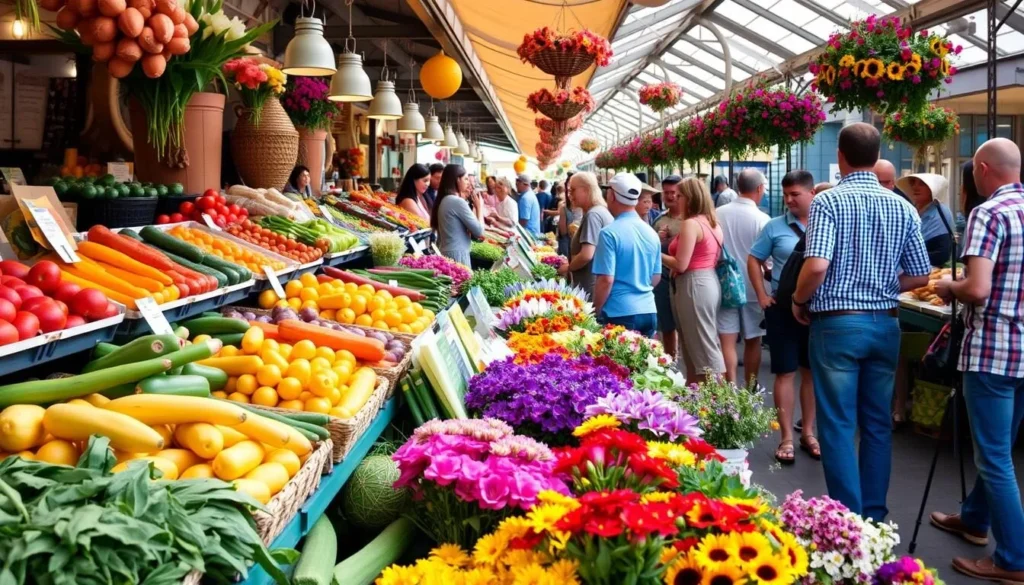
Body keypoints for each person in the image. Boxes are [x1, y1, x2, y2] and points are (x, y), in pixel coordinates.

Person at [791, 122, 931, 522]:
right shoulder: (903, 206)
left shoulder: (828, 203)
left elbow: (816, 265)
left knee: (836, 423)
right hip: (885, 324)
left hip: (836, 324)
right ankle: (873, 515)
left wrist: (800, 300)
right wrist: (882, 284)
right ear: (877, 155)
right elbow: (920, 276)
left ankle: (847, 520)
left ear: (840, 156)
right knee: (876, 424)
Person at [930, 137, 1024, 584]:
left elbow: (978, 289)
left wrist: (951, 287)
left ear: (983, 169)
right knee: (1000, 449)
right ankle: (974, 519)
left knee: (993, 458)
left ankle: (1013, 559)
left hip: (994, 351)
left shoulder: (989, 212)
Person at [748, 170, 819, 464]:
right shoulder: (775, 227)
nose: (789, 200)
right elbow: (754, 258)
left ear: (811, 193)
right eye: (786, 194)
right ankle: (786, 437)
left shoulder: (824, 222)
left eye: (795, 195)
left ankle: (809, 433)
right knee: (785, 372)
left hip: (816, 309)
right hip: (782, 308)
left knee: (811, 373)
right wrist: (763, 296)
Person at [665, 178, 727, 382]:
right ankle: (701, 398)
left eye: (680, 195)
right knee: (698, 343)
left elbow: (681, 264)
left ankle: (718, 404)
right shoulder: (712, 222)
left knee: (702, 345)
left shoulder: (691, 224)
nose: (676, 199)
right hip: (706, 281)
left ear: (690, 198)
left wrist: (653, 252)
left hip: (693, 283)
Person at [716, 168, 771, 386]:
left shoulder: (718, 214)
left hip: (723, 284)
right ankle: (750, 386)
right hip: (752, 286)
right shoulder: (763, 219)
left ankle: (729, 389)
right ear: (759, 188)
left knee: (726, 340)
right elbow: (767, 260)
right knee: (753, 339)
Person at [591, 172, 661, 337]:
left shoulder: (608, 233)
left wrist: (595, 310)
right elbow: (655, 277)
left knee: (618, 363)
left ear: (612, 196)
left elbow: (606, 280)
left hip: (619, 312)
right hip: (649, 311)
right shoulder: (651, 232)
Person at [558, 172, 613, 299]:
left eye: (573, 190)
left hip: (590, 286)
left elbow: (586, 255)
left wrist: (568, 267)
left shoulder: (593, 215)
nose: (569, 195)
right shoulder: (599, 211)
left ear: (586, 190)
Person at [653, 175, 684, 359]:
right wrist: (658, 239)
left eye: (674, 192)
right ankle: (670, 362)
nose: (670, 196)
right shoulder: (658, 220)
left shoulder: (690, 220)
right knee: (667, 325)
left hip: (685, 278)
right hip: (663, 280)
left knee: (686, 327)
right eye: (666, 193)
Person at [896, 173, 955, 267]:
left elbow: (941, 254)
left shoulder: (940, 212)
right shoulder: (913, 209)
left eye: (922, 184)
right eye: (912, 183)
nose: (915, 187)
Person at [430, 164, 484, 267]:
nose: (468, 183)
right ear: (457, 180)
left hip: (448, 253)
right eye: (466, 179)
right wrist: (479, 207)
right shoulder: (456, 201)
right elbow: (480, 232)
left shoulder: (445, 199)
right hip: (457, 256)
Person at [558, 173, 582, 259]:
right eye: (569, 190)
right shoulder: (565, 207)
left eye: (572, 189)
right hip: (572, 249)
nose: (570, 193)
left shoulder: (565, 208)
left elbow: (563, 231)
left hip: (574, 250)